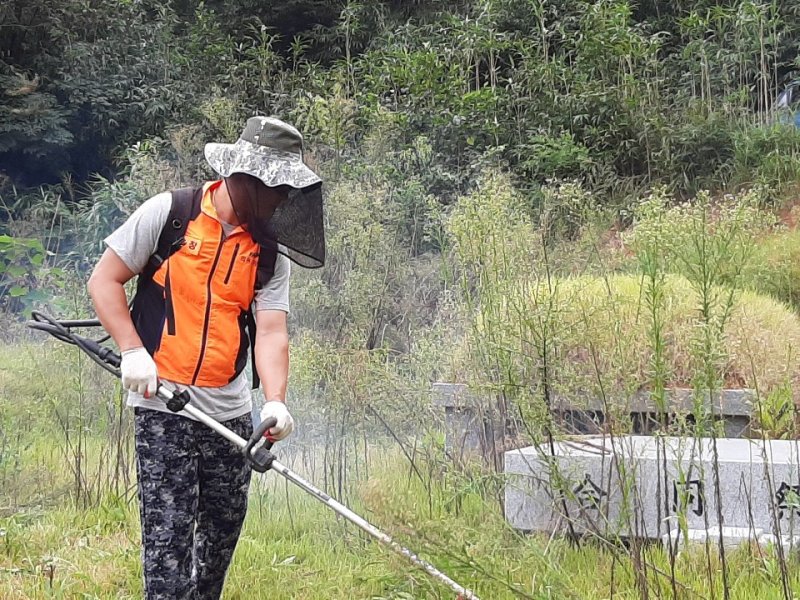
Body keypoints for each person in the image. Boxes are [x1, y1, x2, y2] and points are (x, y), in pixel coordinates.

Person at [87, 116, 324, 600]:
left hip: (231, 413)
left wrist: (275, 401)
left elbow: (273, 329)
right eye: (275, 188)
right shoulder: (170, 214)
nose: (280, 200)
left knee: (219, 540)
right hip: (164, 404)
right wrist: (133, 351)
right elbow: (104, 281)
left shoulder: (269, 253)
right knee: (168, 541)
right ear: (245, 178)